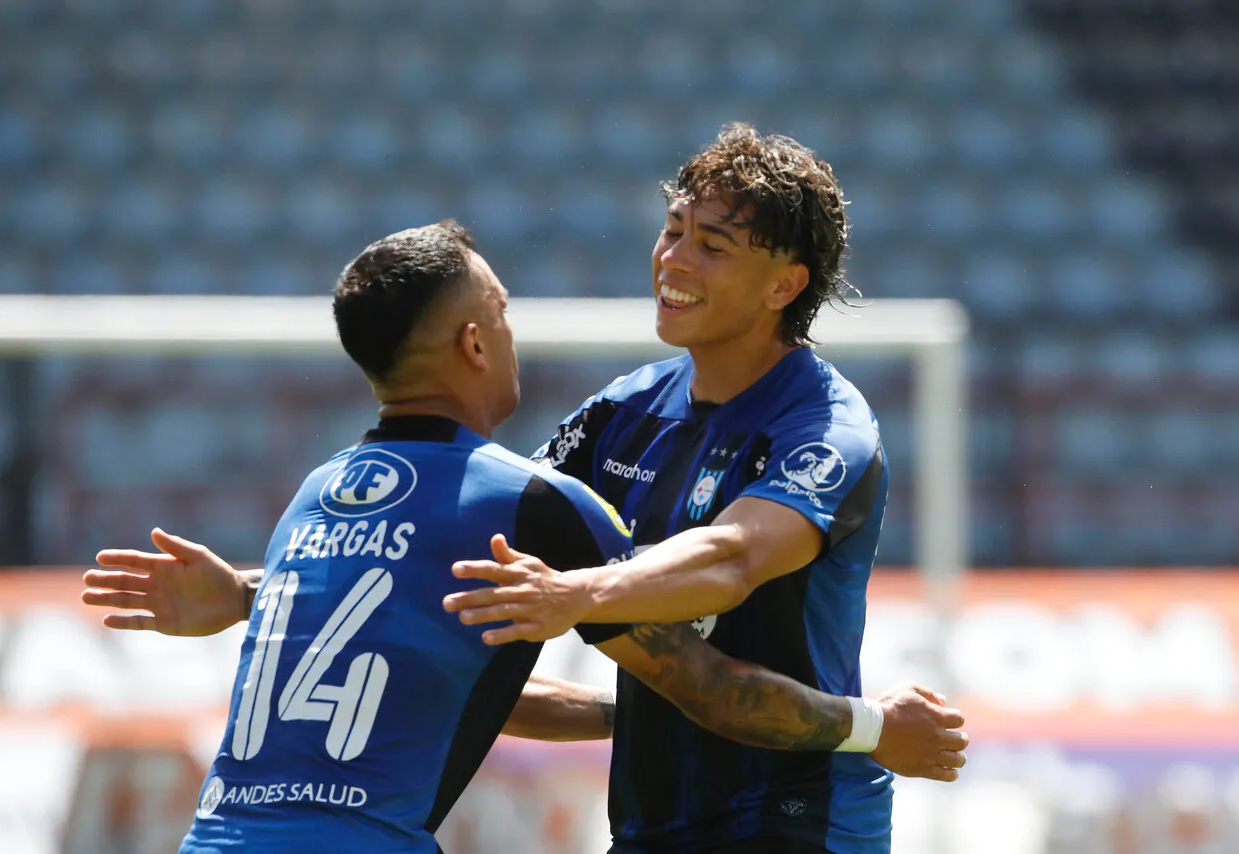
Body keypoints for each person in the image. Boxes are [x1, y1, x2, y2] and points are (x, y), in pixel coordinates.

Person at [82, 220, 964, 854]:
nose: (672, 257)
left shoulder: (317, 497)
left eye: (709, 241)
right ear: (474, 342)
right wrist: (873, 726)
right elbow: (701, 683)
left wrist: (247, 595)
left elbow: (455, 678)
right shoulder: (537, 497)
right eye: (502, 314)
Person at [437, 123, 940, 854]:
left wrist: (574, 595)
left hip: (795, 819)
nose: (674, 260)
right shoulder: (623, 413)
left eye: (713, 246)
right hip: (649, 826)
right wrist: (258, 591)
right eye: (673, 231)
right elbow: (473, 540)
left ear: (784, 284)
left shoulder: (826, 431)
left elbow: (730, 560)